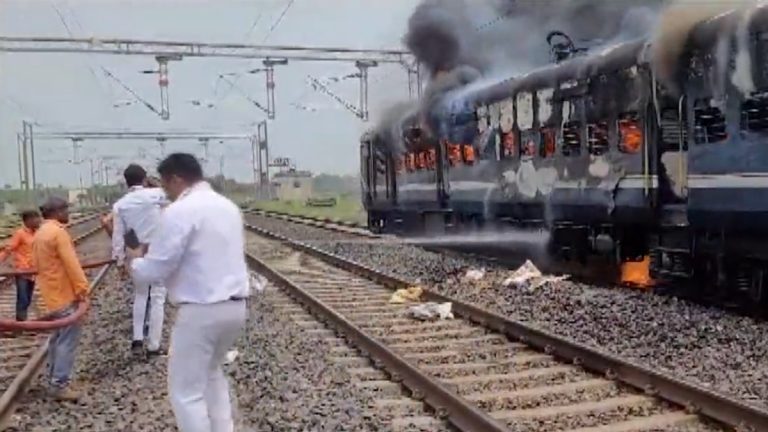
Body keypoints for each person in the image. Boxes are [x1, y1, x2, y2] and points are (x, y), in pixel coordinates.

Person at [127, 153, 248, 432]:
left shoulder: (181, 211)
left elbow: (159, 266)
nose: (165, 193)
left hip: (201, 309)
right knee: (212, 374)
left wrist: (135, 262)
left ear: (176, 179)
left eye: (166, 185)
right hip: (235, 306)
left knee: (185, 391)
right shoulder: (227, 206)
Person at [32, 196, 89, 401]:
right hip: (63, 296)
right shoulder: (58, 233)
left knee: (57, 340)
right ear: (56, 212)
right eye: (66, 210)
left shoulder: (40, 233)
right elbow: (71, 263)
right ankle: (60, 384)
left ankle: (53, 380)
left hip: (50, 296)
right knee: (66, 341)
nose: (68, 214)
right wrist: (83, 288)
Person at [112, 164, 169, 357]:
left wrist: (120, 261)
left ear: (126, 182)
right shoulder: (156, 195)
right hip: (158, 253)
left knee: (140, 295)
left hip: (136, 254)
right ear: (144, 178)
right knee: (158, 298)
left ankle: (137, 340)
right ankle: (154, 345)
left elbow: (119, 236)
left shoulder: (120, 205)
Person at [0, 210, 43, 321]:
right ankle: (20, 323)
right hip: (22, 271)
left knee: (28, 298)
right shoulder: (20, 233)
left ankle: (23, 321)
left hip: (33, 271)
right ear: (28, 220)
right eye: (36, 219)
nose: (39, 221)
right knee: (23, 298)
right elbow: (9, 249)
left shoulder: (38, 233)